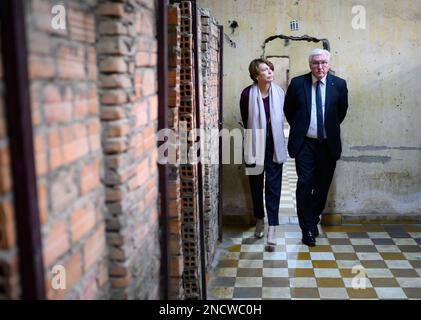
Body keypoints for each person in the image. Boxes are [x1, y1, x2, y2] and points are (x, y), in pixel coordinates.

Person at [284, 48, 348, 246]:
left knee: (322, 186)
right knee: (305, 183)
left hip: (328, 144)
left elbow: (341, 112)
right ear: (309, 64)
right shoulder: (297, 83)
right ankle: (307, 228)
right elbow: (289, 110)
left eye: (323, 63)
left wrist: (326, 129)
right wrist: (302, 128)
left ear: (328, 64)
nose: (319, 67)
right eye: (315, 63)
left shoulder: (339, 84)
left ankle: (312, 219)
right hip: (305, 144)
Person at [240, 58, 287, 246]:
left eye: (270, 69)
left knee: (274, 188)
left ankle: (272, 227)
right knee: (256, 186)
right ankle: (259, 218)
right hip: (254, 145)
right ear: (255, 75)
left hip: (274, 145)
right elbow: (246, 119)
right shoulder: (246, 94)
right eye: (264, 70)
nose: (269, 72)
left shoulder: (279, 92)